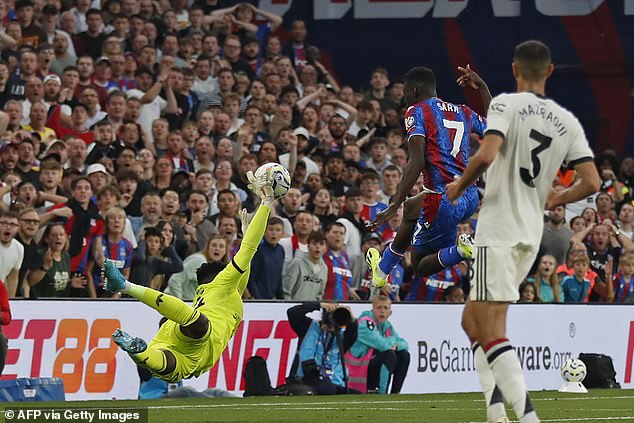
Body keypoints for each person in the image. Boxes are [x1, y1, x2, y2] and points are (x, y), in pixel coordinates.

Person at [445, 40, 600, 423]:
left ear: (515, 69)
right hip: (530, 231)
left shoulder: (505, 105)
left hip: (499, 225)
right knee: (471, 321)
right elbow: (593, 181)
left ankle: (528, 417)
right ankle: (495, 413)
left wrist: (458, 186)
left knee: (493, 328)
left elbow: (486, 153)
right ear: (549, 71)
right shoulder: (567, 121)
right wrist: (556, 198)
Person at [103, 169, 278, 383]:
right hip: (198, 343)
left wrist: (246, 234)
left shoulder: (216, 294)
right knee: (179, 351)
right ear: (222, 274)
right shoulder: (223, 285)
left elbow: (246, 260)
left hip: (177, 333)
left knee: (164, 362)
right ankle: (125, 289)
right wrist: (267, 202)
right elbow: (249, 250)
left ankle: (140, 352)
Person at [366, 64, 490, 290]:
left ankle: (460, 251)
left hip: (442, 201)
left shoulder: (416, 111)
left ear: (413, 91)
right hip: (470, 197)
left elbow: (416, 161)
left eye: (405, 91)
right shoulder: (463, 111)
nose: (404, 96)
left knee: (420, 265)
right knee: (412, 206)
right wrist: (481, 86)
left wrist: (393, 205)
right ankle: (382, 270)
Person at [286, 301, 359, 395]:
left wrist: (349, 316)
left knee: (358, 395)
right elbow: (293, 312)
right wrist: (319, 305)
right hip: (307, 379)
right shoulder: (308, 327)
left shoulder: (342, 337)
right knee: (328, 389)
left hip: (336, 382)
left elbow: (353, 332)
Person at [346, 295, 409, 394]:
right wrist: (392, 341)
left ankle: (395, 393)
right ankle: (381, 393)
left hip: (370, 364)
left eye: (385, 308)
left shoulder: (387, 325)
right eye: (379, 307)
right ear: (373, 310)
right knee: (389, 354)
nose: (382, 311)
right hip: (358, 368)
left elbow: (404, 344)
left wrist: (396, 345)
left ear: (390, 312)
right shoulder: (365, 324)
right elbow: (383, 345)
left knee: (404, 355)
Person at [282, 230, 328, 301]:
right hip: (294, 308)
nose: (318, 247)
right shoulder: (297, 263)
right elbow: (286, 291)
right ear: (308, 246)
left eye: (321, 244)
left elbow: (319, 294)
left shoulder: (324, 268)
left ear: (325, 248)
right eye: (314, 243)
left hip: (312, 309)